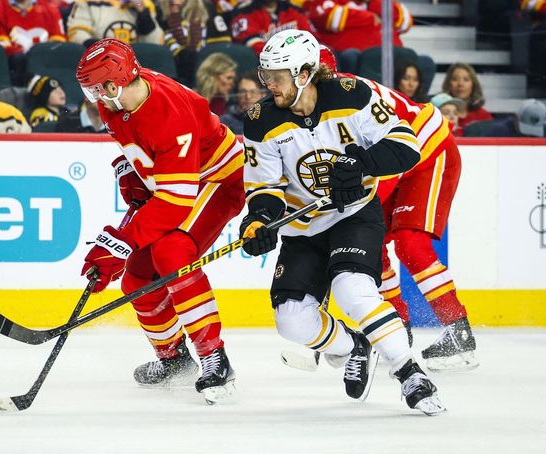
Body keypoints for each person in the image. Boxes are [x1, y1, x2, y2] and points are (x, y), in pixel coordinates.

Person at [241, 29, 444, 415]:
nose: (268, 85)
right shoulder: (261, 121)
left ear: (304, 74)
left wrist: (362, 163)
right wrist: (259, 220)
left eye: (276, 76)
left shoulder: (353, 97)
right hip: (303, 229)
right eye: (265, 75)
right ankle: (355, 345)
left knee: (353, 290)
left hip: (353, 215)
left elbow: (406, 145)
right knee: (291, 322)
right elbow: (264, 187)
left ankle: (408, 371)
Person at [75, 38, 245, 404]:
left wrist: (118, 244)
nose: (94, 99)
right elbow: (139, 146)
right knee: (137, 277)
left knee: (172, 251)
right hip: (178, 181)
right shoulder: (116, 102)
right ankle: (173, 358)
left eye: (95, 89)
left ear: (114, 82)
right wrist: (132, 170)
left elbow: (174, 201)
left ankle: (215, 357)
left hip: (218, 179)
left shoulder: (170, 113)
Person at [319, 44, 479, 373]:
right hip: (389, 165)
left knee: (409, 242)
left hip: (427, 151)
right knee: (372, 241)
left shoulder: (353, 95)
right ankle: (398, 328)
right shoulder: (307, 109)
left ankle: (458, 330)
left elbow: (392, 152)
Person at [66, 0, 163, 45]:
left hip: (137, 64)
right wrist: (104, 47)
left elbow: (156, 43)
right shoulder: (88, 2)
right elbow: (76, 34)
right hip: (99, 63)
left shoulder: (144, 4)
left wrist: (142, 12)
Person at [441, 62, 492, 129]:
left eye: (466, 80)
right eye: (455, 79)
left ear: (473, 85)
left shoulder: (483, 116)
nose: (460, 84)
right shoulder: (438, 114)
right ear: (448, 84)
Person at [195, 52, 236, 116]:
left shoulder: (226, 105)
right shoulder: (193, 100)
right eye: (229, 78)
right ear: (213, 76)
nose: (232, 83)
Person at [482, 98, 546, 138]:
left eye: (533, 136)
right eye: (525, 134)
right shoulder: (497, 132)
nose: (528, 137)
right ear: (516, 118)